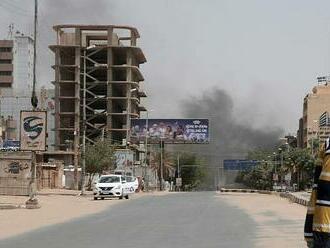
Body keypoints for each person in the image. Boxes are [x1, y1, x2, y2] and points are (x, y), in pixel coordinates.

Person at [304, 137, 330, 247]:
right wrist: (308, 232)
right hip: (323, 230)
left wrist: (308, 233)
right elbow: (316, 188)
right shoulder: (327, 144)